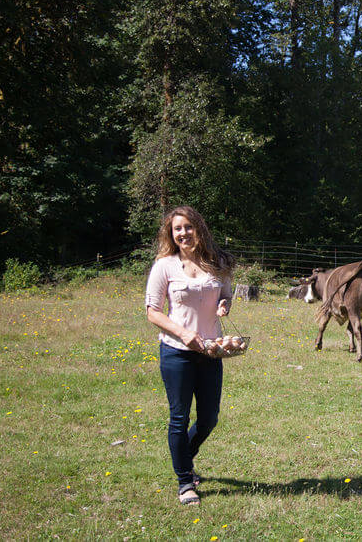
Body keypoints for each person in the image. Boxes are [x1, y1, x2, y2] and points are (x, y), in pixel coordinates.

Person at [144, 206, 235, 505]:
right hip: (177, 352)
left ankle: (184, 456)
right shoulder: (165, 266)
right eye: (177, 229)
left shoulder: (217, 263)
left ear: (199, 228)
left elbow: (226, 295)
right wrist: (183, 334)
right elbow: (152, 312)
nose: (183, 233)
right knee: (179, 418)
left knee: (209, 418)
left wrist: (224, 305)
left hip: (211, 350)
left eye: (188, 227)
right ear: (171, 235)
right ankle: (185, 482)